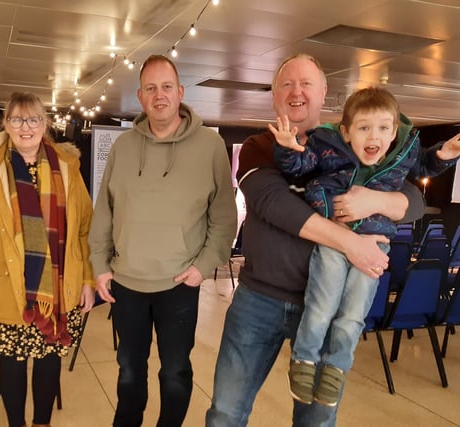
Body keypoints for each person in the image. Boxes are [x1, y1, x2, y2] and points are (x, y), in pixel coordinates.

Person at [205, 54, 427, 427]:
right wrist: (352, 243)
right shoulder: (260, 146)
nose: (297, 92)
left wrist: (378, 200)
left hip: (329, 306)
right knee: (226, 413)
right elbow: (275, 204)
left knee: (317, 421)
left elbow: (415, 200)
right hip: (259, 301)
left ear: (324, 93)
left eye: (306, 84)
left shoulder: (358, 147)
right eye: (286, 84)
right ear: (274, 96)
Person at [271, 86, 460, 406]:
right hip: (333, 240)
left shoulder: (405, 152)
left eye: (384, 128)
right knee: (322, 303)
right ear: (346, 132)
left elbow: (424, 165)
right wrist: (290, 149)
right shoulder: (328, 148)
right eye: (364, 128)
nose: (374, 137)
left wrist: (444, 153)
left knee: (353, 313)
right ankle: (303, 359)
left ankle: (336, 367)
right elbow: (300, 167)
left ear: (394, 132)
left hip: (374, 246)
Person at [89, 54, 237, 427]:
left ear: (181, 92)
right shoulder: (123, 148)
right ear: (140, 96)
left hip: (178, 284)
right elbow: (104, 211)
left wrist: (202, 268)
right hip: (127, 282)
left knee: (174, 373)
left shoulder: (209, 146)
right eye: (151, 88)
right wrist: (100, 266)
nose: (160, 96)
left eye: (167, 87)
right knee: (128, 371)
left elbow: (223, 217)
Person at [0, 91, 95, 427]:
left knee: (49, 360)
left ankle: (42, 424)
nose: (26, 127)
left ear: (45, 124)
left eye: (33, 118)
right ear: (6, 124)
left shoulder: (68, 168)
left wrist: (88, 280)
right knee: (13, 364)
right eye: (17, 119)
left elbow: (83, 230)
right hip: (6, 287)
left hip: (59, 287)